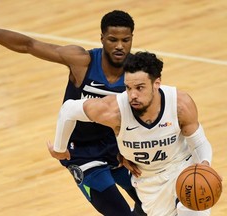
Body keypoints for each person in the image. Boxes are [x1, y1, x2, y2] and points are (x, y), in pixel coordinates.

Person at [0, 3, 146, 216]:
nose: (119, 46)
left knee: (154, 204)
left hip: (118, 149)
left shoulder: (138, 72)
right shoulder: (81, 61)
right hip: (82, 153)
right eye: (113, 40)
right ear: (102, 38)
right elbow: (28, 45)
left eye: (125, 40)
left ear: (132, 38)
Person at [48, 51, 214, 216]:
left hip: (181, 170)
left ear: (157, 83)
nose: (133, 95)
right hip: (149, 182)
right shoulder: (115, 110)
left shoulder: (179, 104)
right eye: (128, 88)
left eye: (140, 88)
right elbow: (68, 110)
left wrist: (205, 164)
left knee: (192, 211)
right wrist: (60, 148)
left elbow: (198, 142)